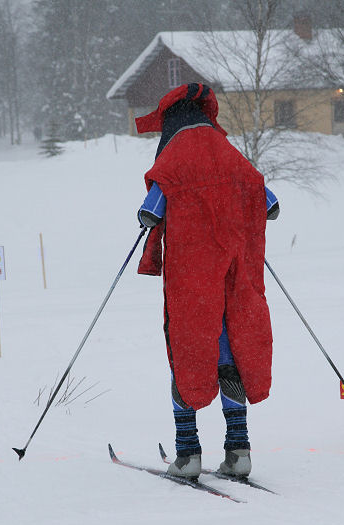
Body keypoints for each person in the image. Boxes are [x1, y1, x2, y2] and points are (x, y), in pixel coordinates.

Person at [136, 83, 279, 479]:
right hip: (235, 275)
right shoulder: (232, 155)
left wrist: (150, 222)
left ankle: (188, 454)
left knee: (187, 353)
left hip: (191, 282)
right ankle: (239, 449)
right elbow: (267, 202)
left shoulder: (173, 159)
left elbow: (150, 211)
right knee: (231, 351)